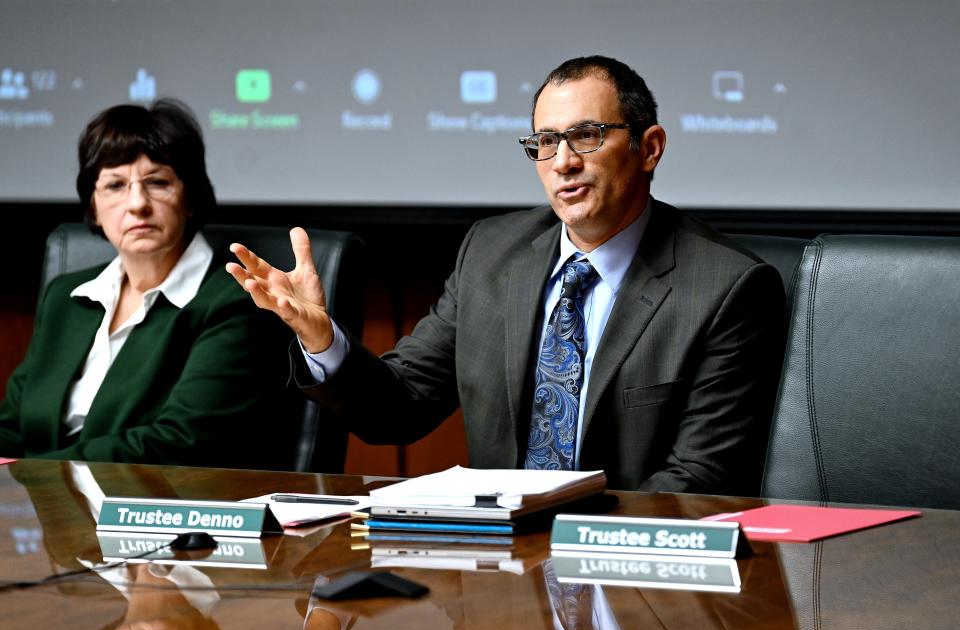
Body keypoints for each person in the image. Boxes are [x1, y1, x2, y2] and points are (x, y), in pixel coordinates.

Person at [228, 55, 785, 493]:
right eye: (544, 143)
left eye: (587, 135)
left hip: (633, 584)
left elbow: (702, 479)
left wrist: (562, 538)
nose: (563, 161)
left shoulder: (726, 288)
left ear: (650, 148)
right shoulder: (492, 253)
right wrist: (320, 338)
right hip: (498, 577)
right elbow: (400, 407)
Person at [0, 99, 290, 468]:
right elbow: (12, 427)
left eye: (157, 182)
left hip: (159, 512)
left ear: (191, 196)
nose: (137, 203)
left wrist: (30, 473)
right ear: (93, 205)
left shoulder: (234, 299)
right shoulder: (66, 297)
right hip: (45, 508)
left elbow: (180, 442)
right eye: (115, 185)